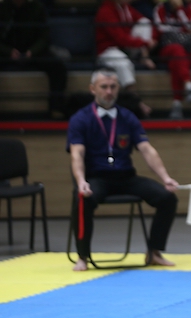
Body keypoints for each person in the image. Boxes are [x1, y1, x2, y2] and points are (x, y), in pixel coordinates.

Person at [67, 67, 179, 272]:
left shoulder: (128, 117)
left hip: (126, 177)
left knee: (167, 198)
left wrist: (165, 178)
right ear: (93, 89)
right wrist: (81, 181)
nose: (109, 91)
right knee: (82, 198)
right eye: (104, 87)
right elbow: (77, 154)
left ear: (118, 88)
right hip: (96, 178)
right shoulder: (81, 119)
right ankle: (82, 256)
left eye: (113, 87)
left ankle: (154, 252)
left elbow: (146, 149)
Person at [0, 0, 67, 118]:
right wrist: (8, 51)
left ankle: (56, 108)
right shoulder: (1, 6)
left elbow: (44, 37)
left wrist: (32, 51)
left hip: (32, 50)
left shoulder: (37, 7)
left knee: (58, 67)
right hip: (5, 50)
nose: (19, 1)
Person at [95, 0, 156, 118]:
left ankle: (144, 56)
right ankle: (137, 103)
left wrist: (147, 42)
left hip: (125, 48)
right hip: (107, 50)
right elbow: (120, 38)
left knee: (144, 22)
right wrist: (145, 43)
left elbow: (142, 20)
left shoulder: (125, 7)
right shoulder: (105, 11)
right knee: (123, 63)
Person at [153, 0, 191, 119]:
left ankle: (177, 104)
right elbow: (161, 30)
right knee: (176, 50)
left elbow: (189, 25)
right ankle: (189, 86)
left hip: (190, 50)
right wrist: (185, 30)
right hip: (167, 49)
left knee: (177, 60)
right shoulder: (160, 8)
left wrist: (180, 9)